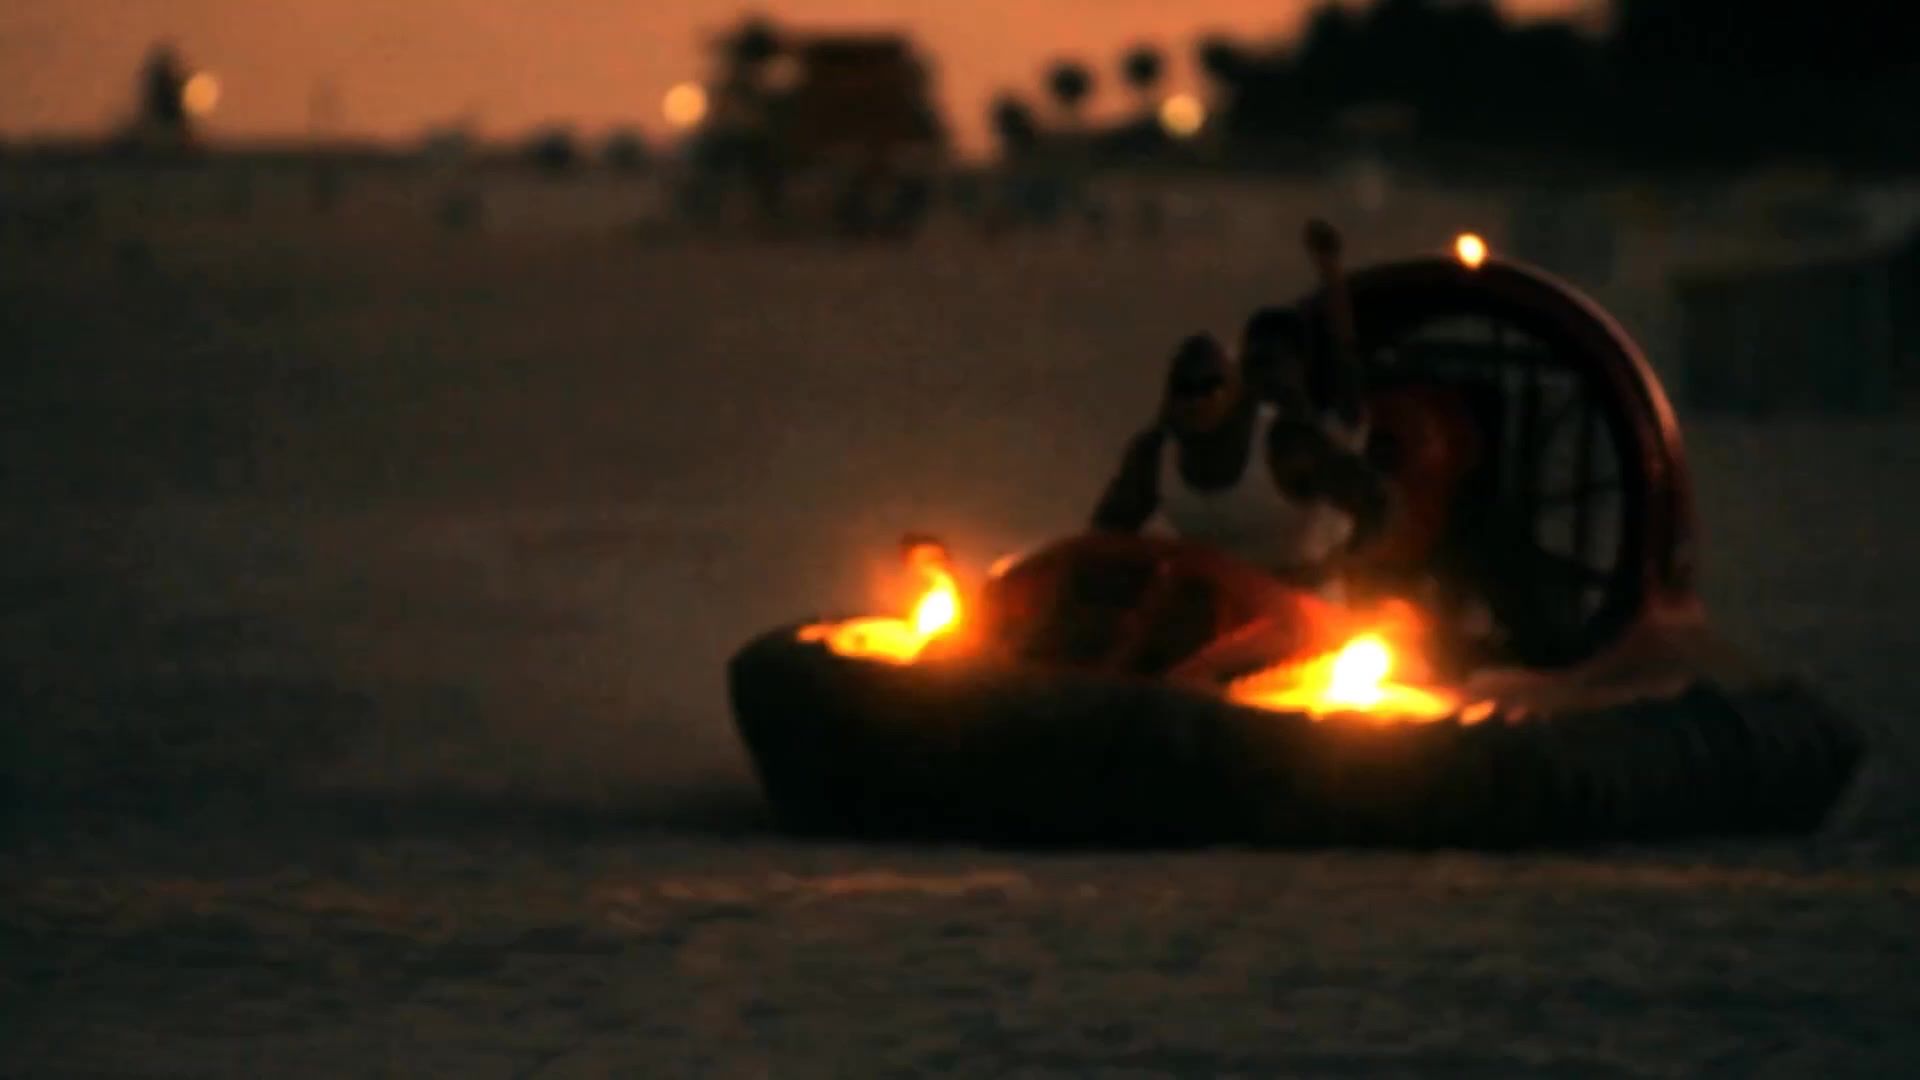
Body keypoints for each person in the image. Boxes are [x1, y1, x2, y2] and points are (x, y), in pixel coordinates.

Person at [1088, 221, 1386, 600]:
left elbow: (1377, 503)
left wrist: (1336, 564)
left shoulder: (1294, 446)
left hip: (1304, 605)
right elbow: (1107, 537)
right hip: (1212, 609)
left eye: (1208, 389)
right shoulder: (1156, 455)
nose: (1198, 403)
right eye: (1188, 391)